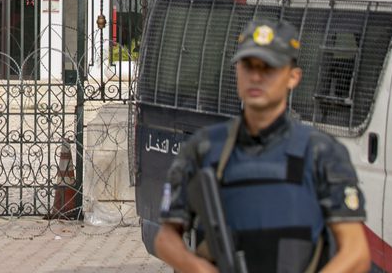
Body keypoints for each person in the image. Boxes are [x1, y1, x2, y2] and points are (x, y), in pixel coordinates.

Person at [153, 18, 371, 273]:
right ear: (237, 71)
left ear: (293, 77)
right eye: (248, 66)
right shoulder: (204, 148)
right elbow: (166, 238)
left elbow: (356, 252)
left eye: (268, 68)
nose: (256, 77)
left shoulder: (321, 152)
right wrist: (199, 268)